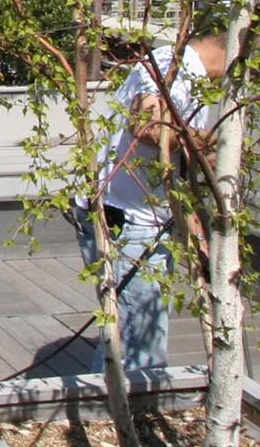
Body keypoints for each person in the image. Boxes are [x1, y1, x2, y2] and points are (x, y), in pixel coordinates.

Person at [83, 28, 229, 373]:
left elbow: (178, 169)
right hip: (127, 221)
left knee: (126, 333)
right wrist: (208, 144)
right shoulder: (169, 66)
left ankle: (109, 406)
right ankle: (126, 412)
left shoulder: (192, 82)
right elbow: (147, 126)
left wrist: (199, 236)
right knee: (138, 342)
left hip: (141, 215)